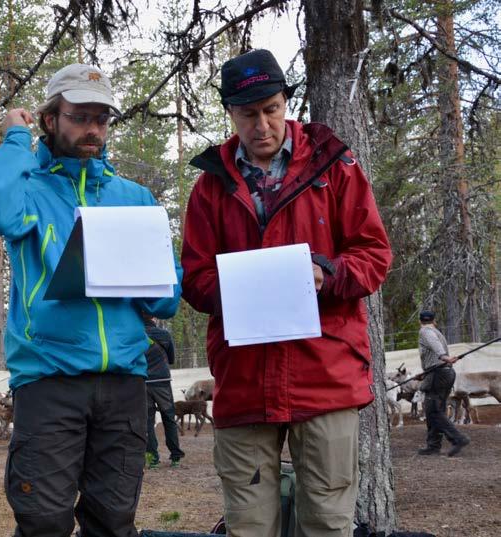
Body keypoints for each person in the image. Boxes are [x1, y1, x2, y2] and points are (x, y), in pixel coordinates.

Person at [180, 49, 392, 537]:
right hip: (243, 379)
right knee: (249, 525)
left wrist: (327, 276)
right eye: (248, 113)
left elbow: (374, 256)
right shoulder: (210, 188)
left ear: (286, 102)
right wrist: (245, 287)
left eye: (271, 109)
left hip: (325, 375)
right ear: (230, 113)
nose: (262, 124)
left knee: (328, 522)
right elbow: (195, 278)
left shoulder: (335, 168)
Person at [0, 63, 182, 537]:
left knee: (113, 522)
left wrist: (148, 283)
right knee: (43, 522)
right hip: (49, 380)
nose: (93, 130)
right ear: (50, 119)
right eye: (80, 116)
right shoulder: (27, 190)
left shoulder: (136, 198)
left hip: (125, 381)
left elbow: (168, 300)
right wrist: (14, 139)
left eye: (102, 119)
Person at [417, 310, 470, 456]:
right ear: (435, 321)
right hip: (442, 373)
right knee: (434, 410)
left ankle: (458, 439)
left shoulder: (425, 331)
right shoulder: (436, 331)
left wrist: (444, 357)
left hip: (438, 373)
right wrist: (425, 373)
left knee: (433, 410)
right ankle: (433, 446)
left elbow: (434, 347)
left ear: (420, 321)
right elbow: (432, 353)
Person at [143, 315, 184, 469]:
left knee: (147, 421)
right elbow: (172, 359)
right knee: (169, 418)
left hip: (143, 381)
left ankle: (152, 459)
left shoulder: (134, 335)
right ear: (153, 317)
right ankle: (175, 457)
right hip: (162, 382)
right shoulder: (164, 335)